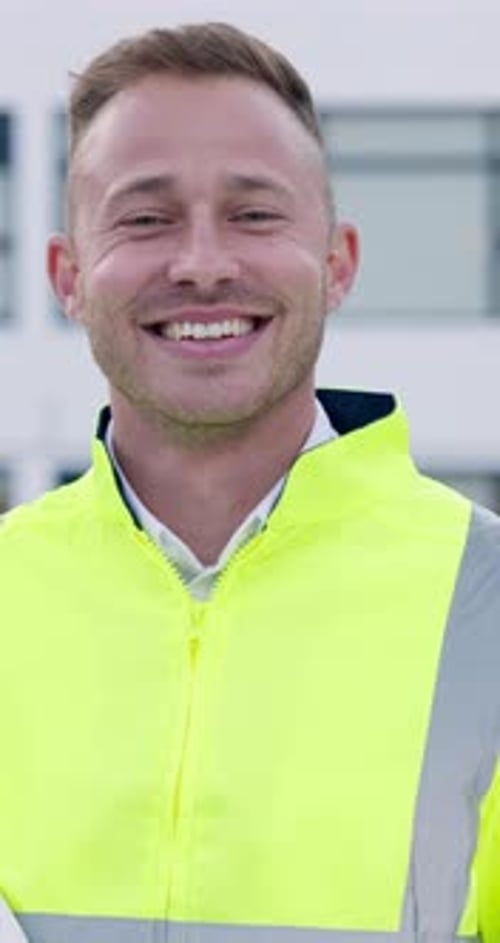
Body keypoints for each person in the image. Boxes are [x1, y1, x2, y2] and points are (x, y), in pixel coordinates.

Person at [1, 21, 500, 943]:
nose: (201, 263)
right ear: (68, 278)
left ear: (337, 262)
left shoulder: (488, 600)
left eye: (255, 214)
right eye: (145, 218)